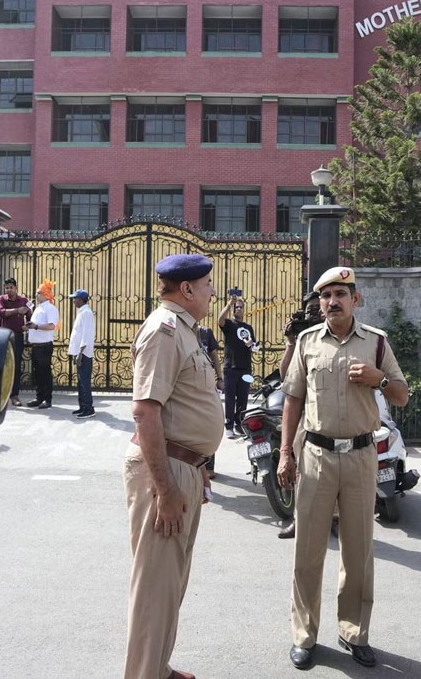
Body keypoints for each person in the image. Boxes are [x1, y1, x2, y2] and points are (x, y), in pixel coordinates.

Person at [277, 266, 409, 671]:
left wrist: (378, 380)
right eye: (326, 295)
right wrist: (285, 451)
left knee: (358, 550)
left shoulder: (376, 344)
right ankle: (304, 634)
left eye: (340, 294)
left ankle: (354, 631)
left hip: (360, 457)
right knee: (308, 550)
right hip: (315, 455)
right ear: (319, 303)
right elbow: (293, 399)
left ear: (356, 299)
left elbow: (402, 396)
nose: (332, 302)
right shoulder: (306, 342)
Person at [123, 253, 221, 679]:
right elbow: (146, 413)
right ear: (186, 290)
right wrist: (165, 489)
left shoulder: (184, 331)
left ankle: (157, 669)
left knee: (170, 586)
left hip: (184, 466)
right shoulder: (164, 332)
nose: (212, 291)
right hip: (164, 471)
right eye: (207, 285)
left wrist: (197, 467)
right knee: (155, 592)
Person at [277, 291, 322, 540]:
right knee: (301, 473)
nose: (313, 314)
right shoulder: (302, 338)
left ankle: (333, 520)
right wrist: (291, 342)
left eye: (317, 308)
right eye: (309, 310)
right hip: (305, 415)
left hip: (329, 417)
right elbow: (286, 375)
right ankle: (298, 519)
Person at [219, 294, 257, 439]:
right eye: (236, 307)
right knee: (229, 398)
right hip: (231, 368)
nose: (238, 309)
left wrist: (253, 346)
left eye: (241, 307)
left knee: (243, 398)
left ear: (244, 310)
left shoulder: (248, 327)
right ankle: (228, 426)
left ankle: (239, 425)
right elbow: (220, 320)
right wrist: (229, 304)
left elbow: (253, 345)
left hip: (245, 368)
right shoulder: (229, 324)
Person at [25, 280, 59, 410]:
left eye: (38, 293)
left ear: (45, 294)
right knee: (38, 374)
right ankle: (39, 397)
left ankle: (47, 399)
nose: (36, 295)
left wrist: (36, 326)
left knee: (45, 373)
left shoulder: (50, 308)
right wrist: (28, 327)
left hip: (44, 346)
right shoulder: (38, 308)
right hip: (36, 346)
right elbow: (35, 325)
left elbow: (51, 326)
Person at [0, 278, 30, 406]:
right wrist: (17, 311)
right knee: (3, 365)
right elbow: (1, 312)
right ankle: (1, 394)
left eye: (11, 287)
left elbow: (30, 315)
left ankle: (14, 395)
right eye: (7, 287)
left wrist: (28, 326)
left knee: (16, 365)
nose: (9, 290)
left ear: (16, 288)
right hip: (4, 336)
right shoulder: (1, 299)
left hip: (17, 336)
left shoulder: (24, 300)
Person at [198, 325, 224, 478]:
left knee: (209, 425)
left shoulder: (205, 332)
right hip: (188, 388)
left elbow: (214, 356)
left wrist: (220, 378)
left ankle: (209, 467)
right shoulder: (180, 330)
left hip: (207, 386)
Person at [67, 289, 96, 419]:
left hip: (84, 353)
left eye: (76, 298)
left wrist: (80, 354)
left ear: (81, 299)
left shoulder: (87, 313)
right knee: (80, 382)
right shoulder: (82, 312)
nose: (74, 301)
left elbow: (86, 335)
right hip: (79, 352)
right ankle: (82, 406)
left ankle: (88, 408)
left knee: (84, 382)